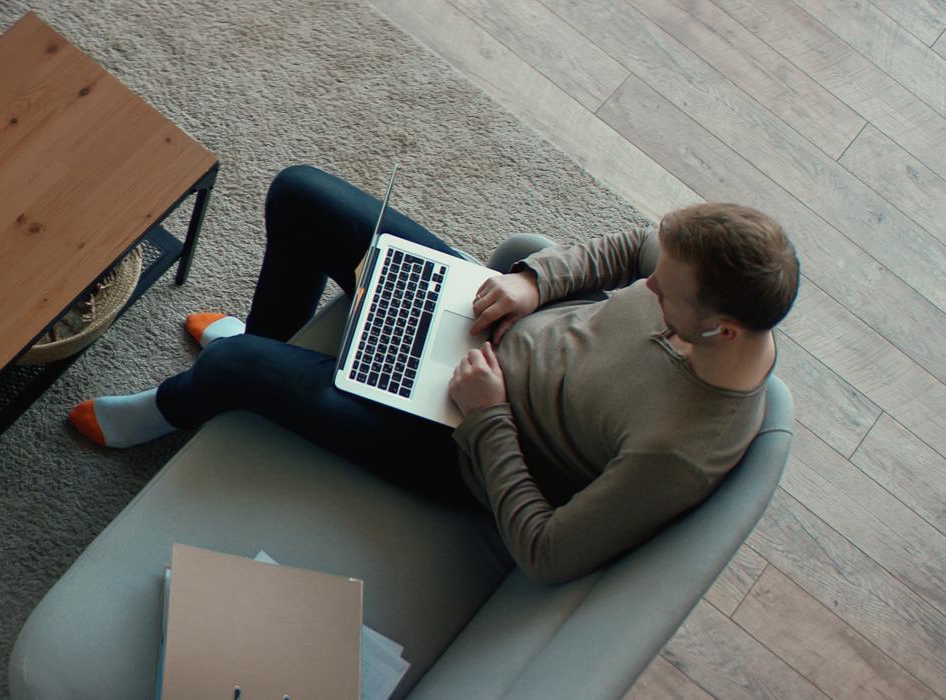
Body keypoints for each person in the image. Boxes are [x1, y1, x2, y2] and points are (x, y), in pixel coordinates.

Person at [68, 165, 800, 584]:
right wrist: (533, 283)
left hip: (460, 440)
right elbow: (630, 250)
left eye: (661, 294)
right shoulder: (700, 284)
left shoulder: (679, 451)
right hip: (484, 317)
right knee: (299, 194)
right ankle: (269, 347)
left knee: (236, 365)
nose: (648, 287)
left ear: (721, 329)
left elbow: (547, 552)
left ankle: (176, 406)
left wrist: (486, 414)